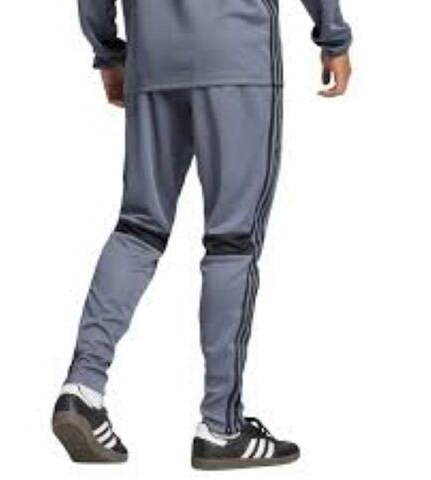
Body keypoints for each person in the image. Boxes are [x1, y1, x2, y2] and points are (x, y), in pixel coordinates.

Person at [52, 0, 352, 470]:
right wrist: (332, 35)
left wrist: (108, 52)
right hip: (238, 54)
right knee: (233, 242)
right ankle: (221, 428)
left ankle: (83, 388)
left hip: (153, 60)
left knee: (138, 227)